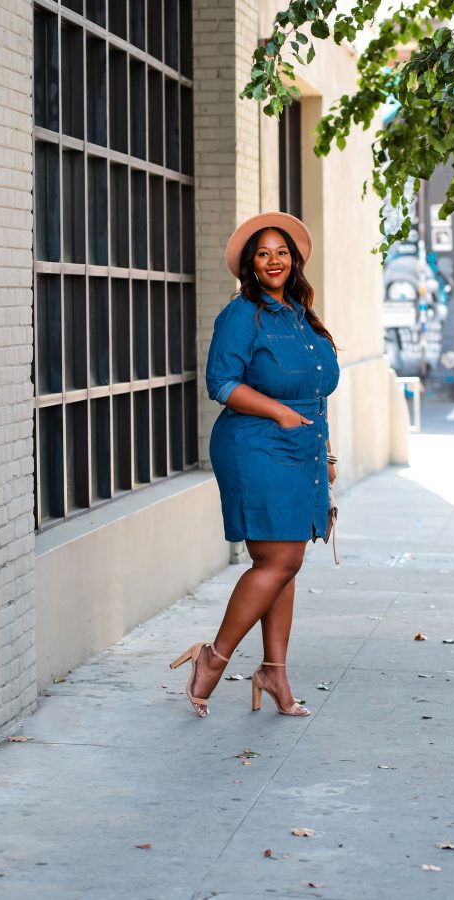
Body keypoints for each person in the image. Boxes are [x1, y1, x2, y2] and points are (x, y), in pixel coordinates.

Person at [170, 211, 340, 718]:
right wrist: (280, 412)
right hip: (256, 446)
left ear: (295, 260)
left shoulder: (302, 316)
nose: (274, 260)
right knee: (277, 561)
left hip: (300, 449)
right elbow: (221, 384)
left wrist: (324, 451)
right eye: (263, 253)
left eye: (282, 252)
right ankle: (213, 657)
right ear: (250, 263)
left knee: (286, 565)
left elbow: (316, 394)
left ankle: (274, 674)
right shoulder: (242, 314)